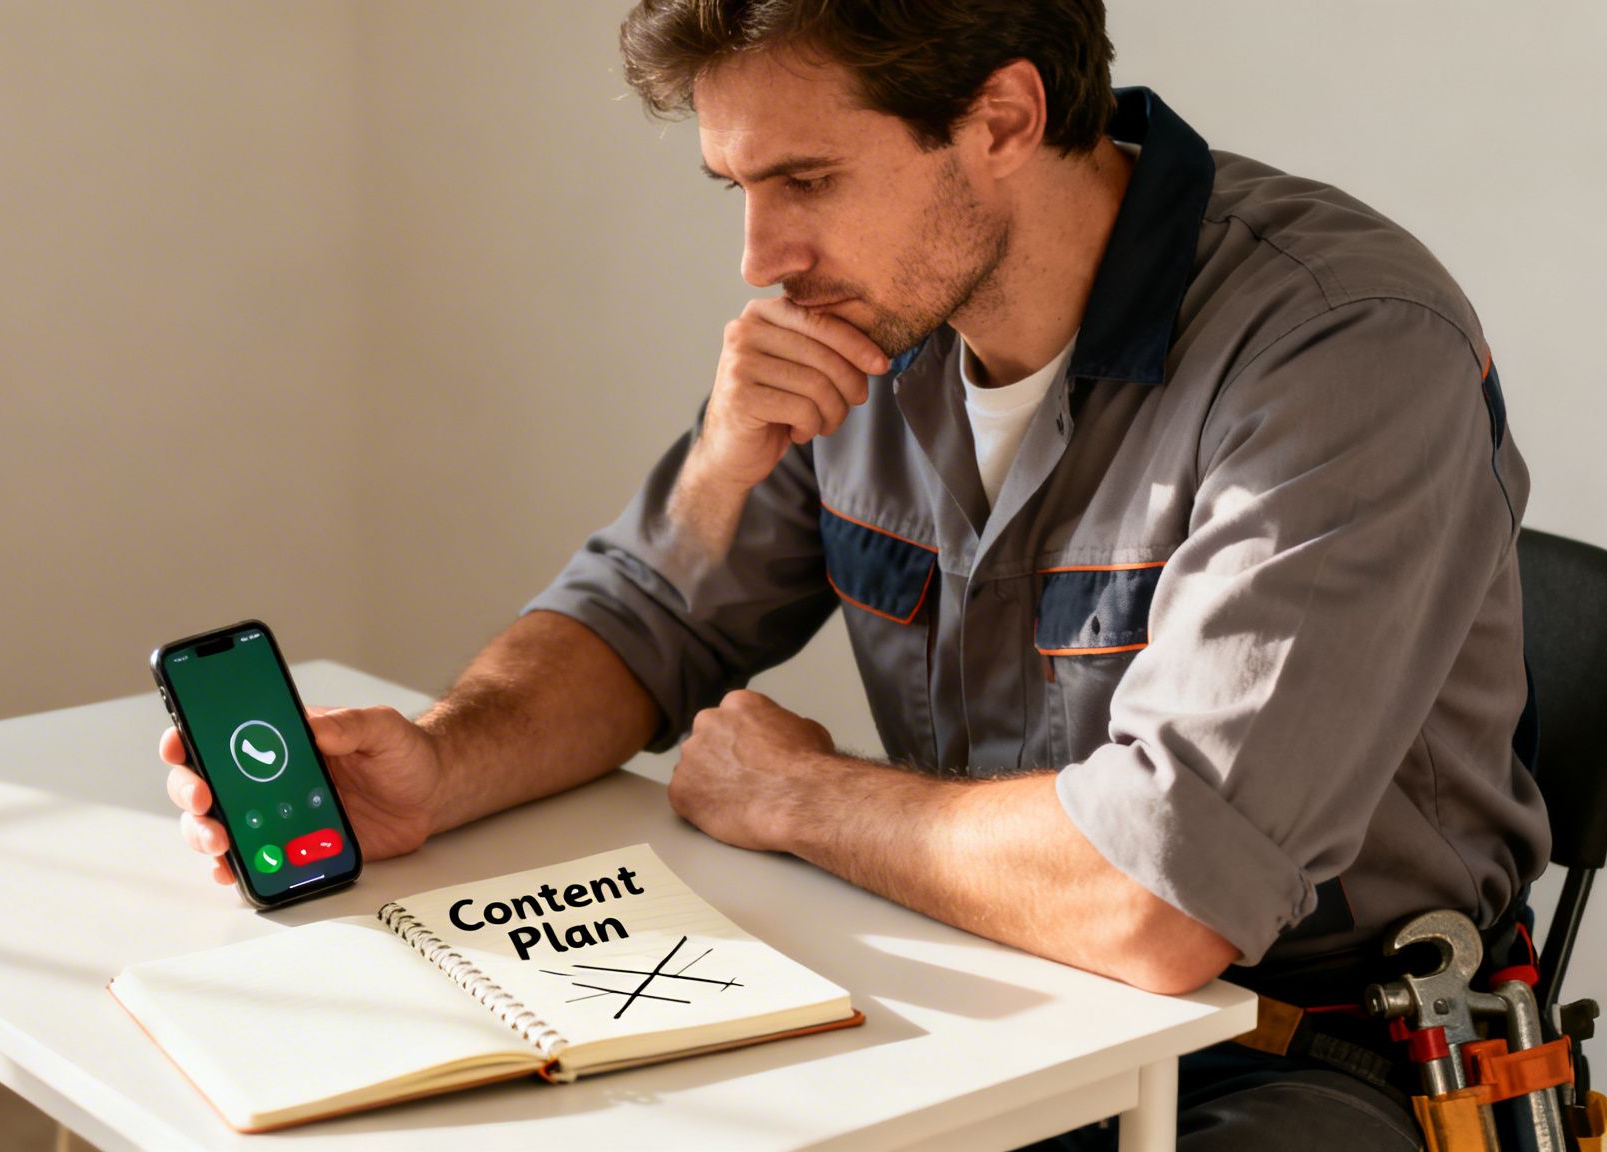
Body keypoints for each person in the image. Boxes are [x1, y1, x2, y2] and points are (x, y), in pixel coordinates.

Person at [165, 2, 1549, 1145]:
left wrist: (802, 798)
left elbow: (1159, 900)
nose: (762, 259)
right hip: (985, 985)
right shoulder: (874, 318)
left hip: (1315, 1056)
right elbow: (646, 620)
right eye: (740, 188)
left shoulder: (1345, 350)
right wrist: (443, 763)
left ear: (1004, 117)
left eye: (807, 181)